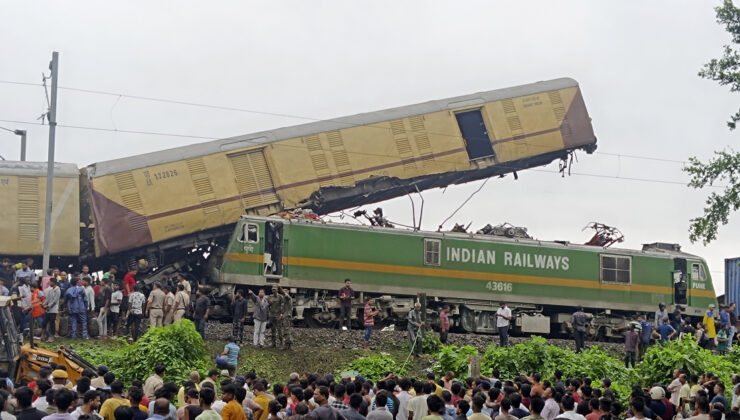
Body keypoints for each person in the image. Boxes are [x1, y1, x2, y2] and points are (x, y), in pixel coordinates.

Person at [43, 278, 60, 343]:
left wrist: (48, 306)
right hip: (48, 310)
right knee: (44, 322)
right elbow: (48, 299)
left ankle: (52, 337)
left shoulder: (58, 290)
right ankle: (43, 335)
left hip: (53, 310)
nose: (49, 283)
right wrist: (43, 304)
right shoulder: (51, 290)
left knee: (52, 323)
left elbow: (55, 301)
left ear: (53, 282)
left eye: (50, 282)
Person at [279, 286, 293, 350]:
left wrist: (280, 288)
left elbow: (285, 294)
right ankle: (288, 345)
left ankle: (287, 345)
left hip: (287, 316)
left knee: (286, 330)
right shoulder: (285, 300)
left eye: (284, 293)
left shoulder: (288, 298)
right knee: (286, 330)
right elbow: (283, 309)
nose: (282, 294)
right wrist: (281, 315)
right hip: (285, 316)